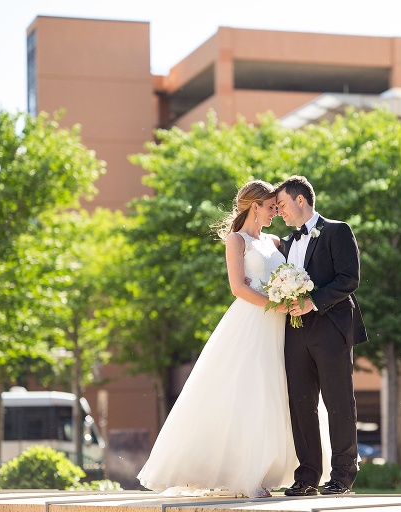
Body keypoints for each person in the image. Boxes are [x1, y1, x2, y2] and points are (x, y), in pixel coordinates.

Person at [137, 180, 330, 499]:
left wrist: (291, 295)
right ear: (255, 207)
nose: (275, 213)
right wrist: (277, 303)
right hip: (251, 323)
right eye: (271, 207)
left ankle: (274, 471)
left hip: (280, 326)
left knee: (277, 393)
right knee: (249, 392)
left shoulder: (274, 240)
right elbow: (238, 288)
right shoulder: (236, 240)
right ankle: (246, 476)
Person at [275, 175, 368, 496]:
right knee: (301, 404)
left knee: (338, 401)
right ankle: (307, 476)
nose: (280, 212)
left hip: (331, 328)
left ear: (301, 200)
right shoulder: (286, 243)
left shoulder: (337, 230)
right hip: (295, 332)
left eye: (283, 205)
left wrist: (311, 301)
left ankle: (343, 476)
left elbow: (349, 279)